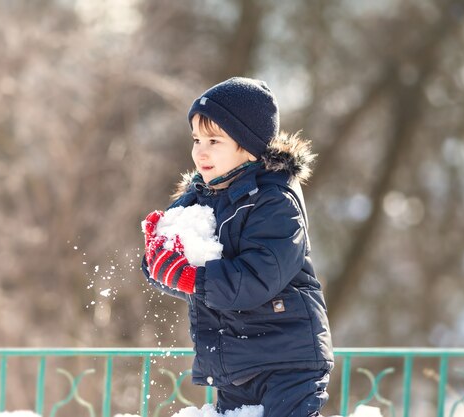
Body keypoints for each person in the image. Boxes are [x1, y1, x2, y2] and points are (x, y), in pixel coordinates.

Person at [141, 77, 333, 417]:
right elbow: (174, 273)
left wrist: (189, 277)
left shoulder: (275, 201)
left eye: (214, 140)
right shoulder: (196, 200)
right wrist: (157, 258)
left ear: (247, 147)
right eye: (197, 139)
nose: (200, 151)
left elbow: (257, 278)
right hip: (233, 366)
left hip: (287, 364)